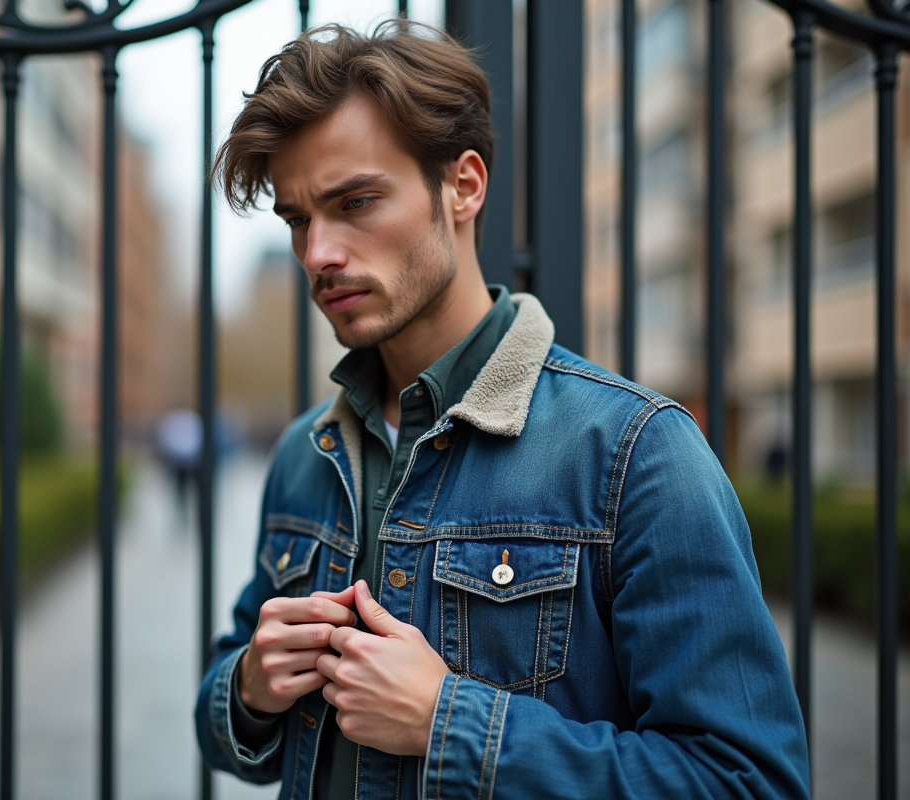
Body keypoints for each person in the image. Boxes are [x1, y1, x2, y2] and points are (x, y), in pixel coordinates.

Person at [195, 20, 810, 800]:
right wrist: (250, 686)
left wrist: (449, 721)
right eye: (297, 219)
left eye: (355, 201)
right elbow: (220, 723)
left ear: (464, 185)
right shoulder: (305, 453)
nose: (318, 254)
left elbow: (749, 782)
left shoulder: (635, 455)